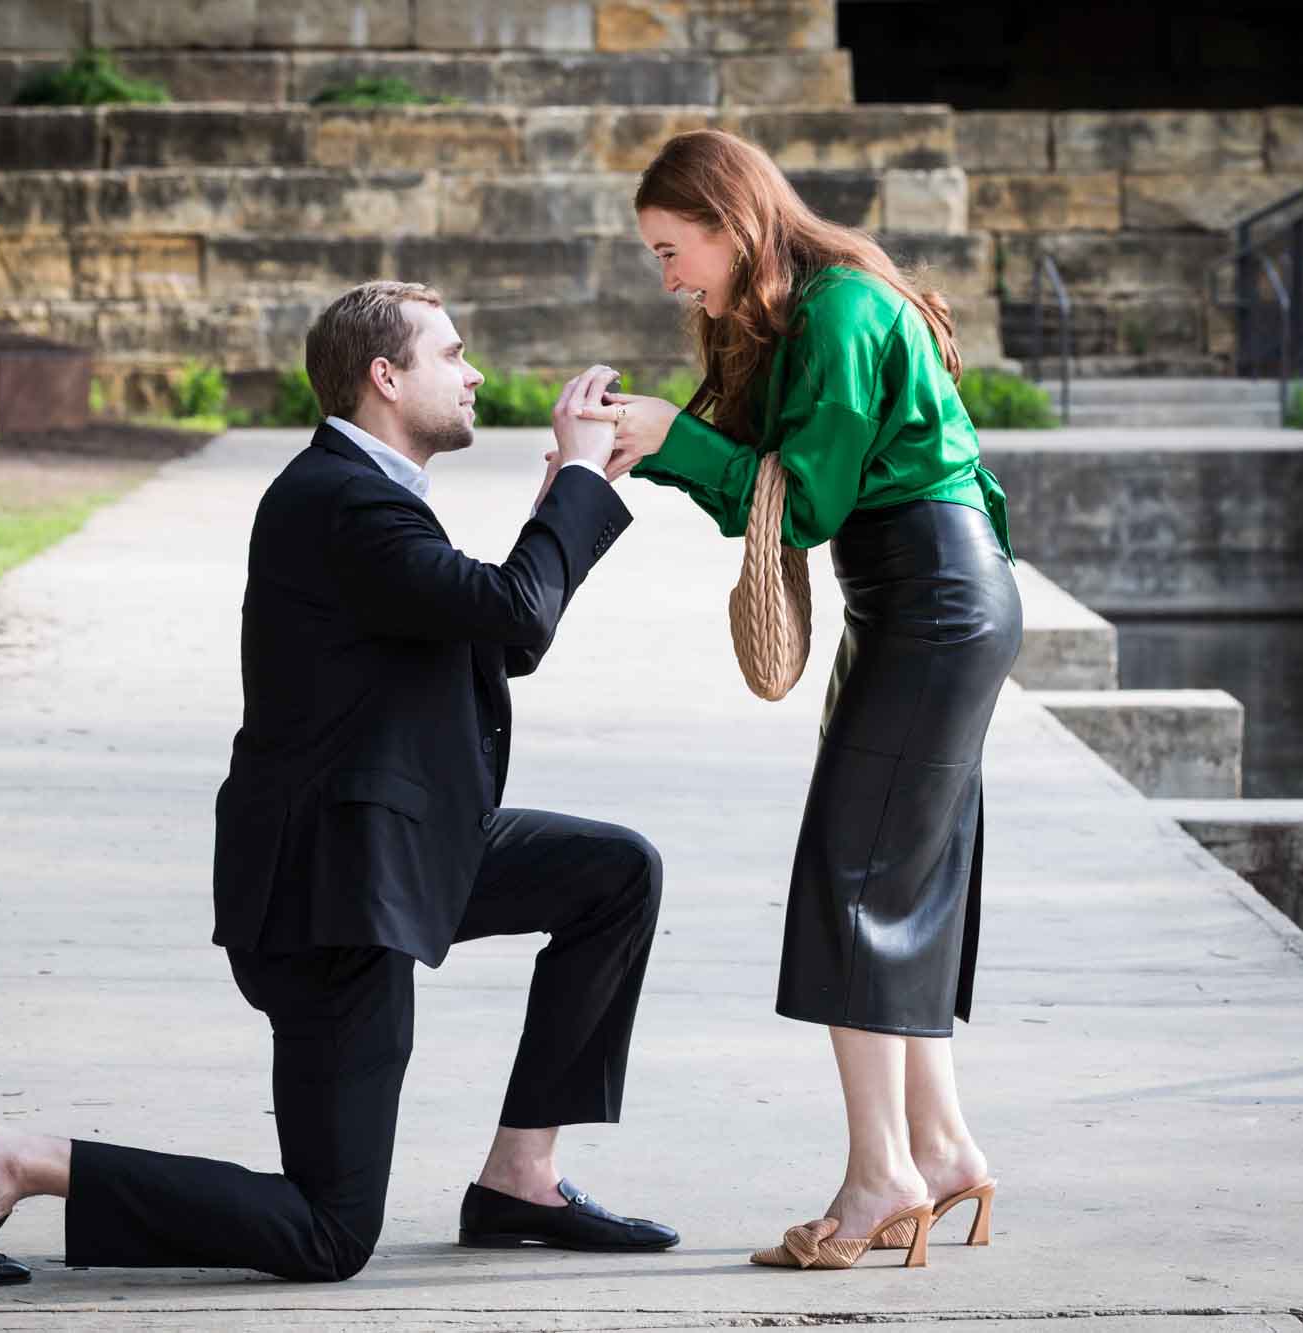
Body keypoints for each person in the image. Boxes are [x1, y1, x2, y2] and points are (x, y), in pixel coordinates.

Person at [0, 280, 678, 1286]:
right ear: (384, 376)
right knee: (328, 1232)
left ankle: (519, 1177)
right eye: (451, 354)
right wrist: (580, 477)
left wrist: (558, 503)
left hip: (395, 849)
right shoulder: (341, 502)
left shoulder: (367, 494)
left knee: (611, 873)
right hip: (335, 896)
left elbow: (493, 640)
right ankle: (19, 1163)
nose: (474, 373)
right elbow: (514, 615)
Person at [576, 130, 1023, 1272]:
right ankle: (942, 1145)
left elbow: (804, 500)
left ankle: (882, 1174)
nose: (668, 276)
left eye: (674, 250)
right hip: (926, 598)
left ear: (731, 222)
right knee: (899, 879)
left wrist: (674, 440)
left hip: (926, 598)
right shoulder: (810, 306)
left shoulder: (835, 311)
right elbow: (753, 488)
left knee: (856, 881)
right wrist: (654, 433)